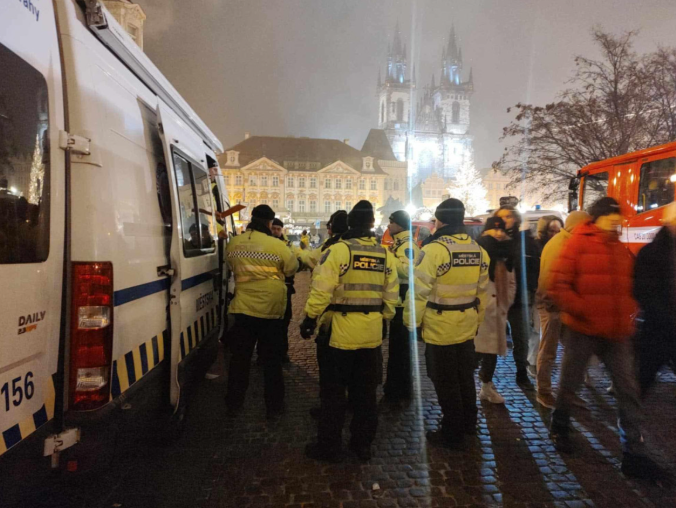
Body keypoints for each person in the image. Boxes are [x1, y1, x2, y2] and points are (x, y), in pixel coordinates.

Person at [548, 197, 665, 479]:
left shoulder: (619, 247)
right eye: (612, 217)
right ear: (599, 218)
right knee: (570, 383)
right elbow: (558, 284)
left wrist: (627, 311)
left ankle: (633, 452)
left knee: (628, 390)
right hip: (583, 329)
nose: (617, 221)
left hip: (616, 332)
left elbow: (629, 285)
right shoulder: (578, 243)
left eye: (618, 217)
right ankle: (560, 424)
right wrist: (584, 310)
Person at [301, 201, 399, 462]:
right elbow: (392, 295)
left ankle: (329, 447)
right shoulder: (385, 254)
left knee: (333, 393)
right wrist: (383, 318)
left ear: (351, 224)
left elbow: (321, 290)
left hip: (340, 334)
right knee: (366, 394)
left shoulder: (338, 251)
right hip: (371, 334)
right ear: (371, 224)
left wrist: (310, 318)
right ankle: (362, 445)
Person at [404, 198, 489, 449]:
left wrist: (411, 323)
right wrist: (477, 321)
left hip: (440, 326)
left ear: (440, 221)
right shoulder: (478, 249)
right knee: (464, 376)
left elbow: (418, 291)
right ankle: (468, 423)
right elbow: (482, 293)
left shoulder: (434, 250)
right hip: (467, 323)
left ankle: (452, 432)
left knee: (444, 379)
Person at [224, 205, 299, 418]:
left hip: (243, 308)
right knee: (271, 362)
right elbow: (292, 268)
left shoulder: (234, 243)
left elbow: (230, 265)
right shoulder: (276, 244)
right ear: (269, 222)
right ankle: (274, 407)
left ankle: (234, 402)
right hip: (271, 310)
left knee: (240, 360)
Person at [535, 211, 590, 408]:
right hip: (552, 306)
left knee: (572, 350)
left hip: (562, 305)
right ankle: (543, 391)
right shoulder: (560, 244)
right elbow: (548, 278)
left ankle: (567, 392)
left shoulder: (567, 241)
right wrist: (551, 303)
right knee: (548, 351)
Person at [634, 201, 676, 398]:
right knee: (645, 376)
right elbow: (643, 291)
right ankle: (629, 412)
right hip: (659, 327)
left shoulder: (652, 251)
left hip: (663, 324)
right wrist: (664, 315)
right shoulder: (651, 253)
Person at [495, 206, 539, 389]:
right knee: (492, 338)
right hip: (496, 297)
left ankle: (522, 372)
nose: (506, 220)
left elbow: (535, 267)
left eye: (509, 216)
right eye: (502, 217)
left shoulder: (526, 241)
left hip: (521, 297)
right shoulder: (491, 240)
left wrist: (531, 287)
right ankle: (486, 379)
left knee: (521, 337)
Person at [474, 217, 516, 404]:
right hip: (482, 310)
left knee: (491, 352)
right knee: (476, 352)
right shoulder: (479, 250)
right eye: (494, 229)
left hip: (498, 309)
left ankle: (486, 386)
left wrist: (506, 302)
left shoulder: (507, 251)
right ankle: (468, 386)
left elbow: (512, 280)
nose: (498, 233)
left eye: (501, 230)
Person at [382, 210, 421, 408]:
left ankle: (395, 391)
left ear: (399, 224)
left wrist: (388, 260)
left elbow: (408, 270)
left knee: (399, 350)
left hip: (403, 304)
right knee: (399, 350)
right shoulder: (400, 242)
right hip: (400, 302)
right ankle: (401, 388)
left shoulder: (406, 244)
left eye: (391, 222)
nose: (388, 225)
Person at [271, 217, 297, 364]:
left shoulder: (288, 244)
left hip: (286, 287)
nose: (276, 231)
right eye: (273, 228)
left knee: (284, 322)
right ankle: (264, 353)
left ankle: (282, 352)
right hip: (270, 287)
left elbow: (293, 262)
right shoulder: (267, 243)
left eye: (278, 229)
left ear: (282, 230)